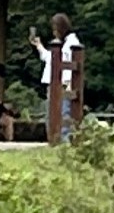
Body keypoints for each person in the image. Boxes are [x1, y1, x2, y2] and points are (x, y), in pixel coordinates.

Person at [32, 13, 85, 142]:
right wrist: (39, 46)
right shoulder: (64, 44)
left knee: (62, 114)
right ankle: (56, 139)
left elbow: (64, 64)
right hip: (57, 82)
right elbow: (52, 59)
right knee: (53, 114)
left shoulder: (70, 44)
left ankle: (62, 141)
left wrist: (67, 83)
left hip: (62, 83)